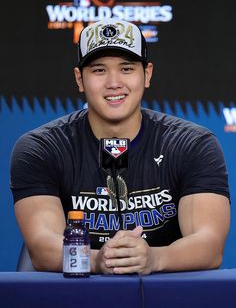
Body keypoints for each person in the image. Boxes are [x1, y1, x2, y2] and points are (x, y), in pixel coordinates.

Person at [10, 18, 230, 274]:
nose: (114, 82)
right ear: (79, 79)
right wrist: (98, 260)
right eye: (99, 70)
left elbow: (209, 244)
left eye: (126, 69)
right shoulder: (41, 147)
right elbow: (42, 245)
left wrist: (153, 259)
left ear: (146, 74)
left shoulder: (192, 145)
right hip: (73, 296)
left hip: (167, 295)